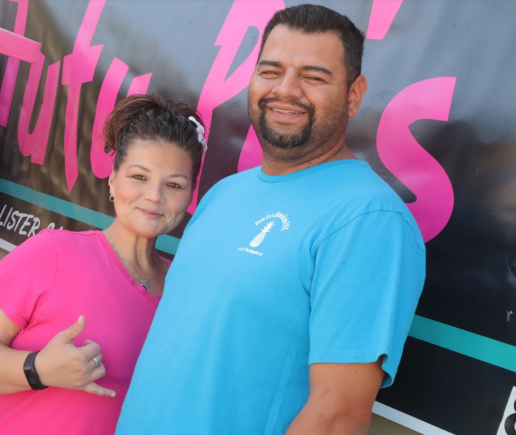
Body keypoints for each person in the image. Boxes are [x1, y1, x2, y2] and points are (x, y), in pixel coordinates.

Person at [116, 5, 425, 435]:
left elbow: (337, 416)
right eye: (270, 70)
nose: (286, 89)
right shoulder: (224, 193)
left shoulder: (368, 221)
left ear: (354, 95)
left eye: (314, 77)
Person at [0, 94, 206, 435]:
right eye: (139, 177)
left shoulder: (184, 292)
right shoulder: (52, 252)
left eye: (174, 184)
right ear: (113, 179)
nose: (155, 197)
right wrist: (37, 368)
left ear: (190, 197)